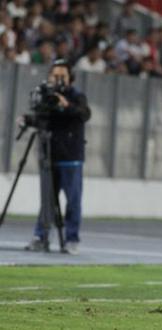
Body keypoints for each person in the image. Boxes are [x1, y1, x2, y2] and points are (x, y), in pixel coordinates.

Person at [24, 59, 91, 255]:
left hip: (71, 156)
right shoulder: (47, 96)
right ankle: (41, 236)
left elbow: (84, 114)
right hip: (49, 155)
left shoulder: (77, 96)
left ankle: (71, 239)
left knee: (73, 201)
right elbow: (42, 119)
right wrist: (28, 120)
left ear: (70, 77)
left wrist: (66, 104)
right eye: (55, 75)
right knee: (47, 200)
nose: (58, 79)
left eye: (62, 75)